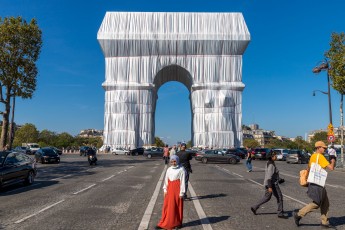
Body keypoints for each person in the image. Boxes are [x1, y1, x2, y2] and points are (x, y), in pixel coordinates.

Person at [293, 141, 336, 229]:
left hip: (314, 182)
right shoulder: (320, 156)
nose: (325, 149)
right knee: (317, 203)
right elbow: (331, 168)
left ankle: (324, 222)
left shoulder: (312, 156)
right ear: (318, 147)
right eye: (323, 148)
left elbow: (309, 168)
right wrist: (333, 159)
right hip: (318, 183)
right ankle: (298, 214)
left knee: (325, 203)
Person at [251, 150, 288, 219]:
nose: (276, 156)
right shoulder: (271, 165)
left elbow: (272, 174)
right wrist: (270, 187)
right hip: (272, 184)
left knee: (267, 197)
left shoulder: (269, 162)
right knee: (279, 197)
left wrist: (280, 179)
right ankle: (280, 213)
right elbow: (269, 177)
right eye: (275, 155)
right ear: (272, 157)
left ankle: (254, 207)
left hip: (269, 183)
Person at [156, 155, 185, 230]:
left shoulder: (181, 169)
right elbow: (166, 180)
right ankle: (165, 221)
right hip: (169, 189)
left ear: (177, 161)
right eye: (172, 161)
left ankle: (178, 222)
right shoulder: (169, 169)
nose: (173, 163)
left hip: (177, 189)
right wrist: (165, 189)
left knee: (177, 206)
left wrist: (182, 192)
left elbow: (182, 182)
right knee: (167, 206)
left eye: (175, 161)